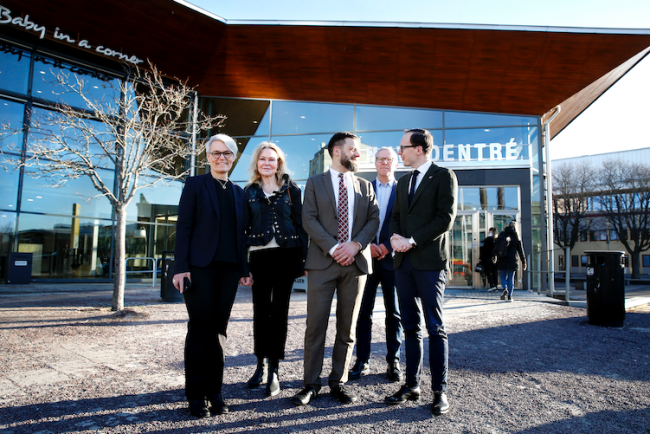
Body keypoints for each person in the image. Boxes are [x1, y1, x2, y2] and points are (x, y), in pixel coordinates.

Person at [291, 132, 379, 407]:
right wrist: (334, 248)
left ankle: (338, 382)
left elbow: (374, 219)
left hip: (356, 264)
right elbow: (309, 219)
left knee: (347, 327)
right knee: (315, 326)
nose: (357, 154)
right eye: (353, 149)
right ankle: (311, 384)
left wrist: (354, 245)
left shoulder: (365, 186)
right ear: (336, 151)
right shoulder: (315, 183)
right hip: (322, 263)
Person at [173, 134, 253, 418]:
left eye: (227, 153)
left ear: (233, 158)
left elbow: (241, 235)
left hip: (229, 270)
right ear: (207, 157)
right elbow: (183, 227)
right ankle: (195, 395)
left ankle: (215, 392)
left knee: (219, 330)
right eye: (216, 153)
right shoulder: (195, 184)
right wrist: (180, 267)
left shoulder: (238, 192)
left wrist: (244, 269)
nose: (222, 158)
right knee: (200, 329)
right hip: (199, 269)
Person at [386, 128, 457, 416]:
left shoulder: (443, 176)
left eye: (402, 147)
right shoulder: (403, 182)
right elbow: (397, 217)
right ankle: (412, 385)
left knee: (434, 328)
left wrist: (411, 241)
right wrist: (394, 238)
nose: (398, 152)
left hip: (430, 263)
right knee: (410, 327)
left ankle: (439, 392)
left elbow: (445, 218)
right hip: (403, 265)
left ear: (419, 149)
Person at [242, 142, 308, 397]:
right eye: (263, 159)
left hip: (286, 256)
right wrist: (243, 267)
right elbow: (242, 231)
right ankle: (260, 364)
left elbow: (302, 227)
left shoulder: (292, 190)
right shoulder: (247, 192)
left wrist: (305, 262)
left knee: (279, 312)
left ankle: (274, 370)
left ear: (279, 162)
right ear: (256, 164)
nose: (267, 163)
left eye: (272, 159)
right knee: (261, 312)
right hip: (259, 257)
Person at [349, 147, 403, 383]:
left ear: (396, 164)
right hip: (366, 258)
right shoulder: (362, 188)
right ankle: (362, 359)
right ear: (375, 162)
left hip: (394, 259)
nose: (384, 163)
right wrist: (367, 244)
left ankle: (393, 360)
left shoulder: (404, 190)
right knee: (363, 312)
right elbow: (354, 220)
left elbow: (406, 223)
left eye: (389, 160)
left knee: (395, 313)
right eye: (380, 159)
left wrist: (387, 247)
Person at [497, 220, 527, 302]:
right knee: (511, 278)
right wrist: (524, 262)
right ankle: (510, 295)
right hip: (513, 259)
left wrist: (495, 256)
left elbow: (497, 246)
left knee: (503, 276)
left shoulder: (502, 234)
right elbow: (521, 251)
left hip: (502, 258)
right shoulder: (517, 237)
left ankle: (504, 288)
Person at [480, 227, 499, 292]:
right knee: (494, 272)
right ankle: (495, 285)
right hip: (495, 258)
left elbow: (484, 250)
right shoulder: (497, 240)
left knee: (488, 272)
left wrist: (481, 258)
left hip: (488, 258)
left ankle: (492, 285)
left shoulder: (488, 240)